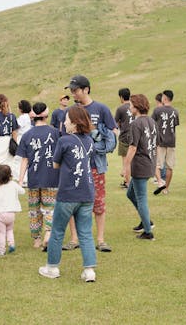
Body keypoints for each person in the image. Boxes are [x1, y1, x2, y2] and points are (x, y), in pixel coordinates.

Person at [38, 105, 97, 282]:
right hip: (87, 193)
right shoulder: (89, 141)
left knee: (57, 231)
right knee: (85, 232)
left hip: (68, 194)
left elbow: (55, 164)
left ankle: (52, 268)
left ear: (75, 122)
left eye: (67, 119)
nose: (64, 122)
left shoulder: (64, 141)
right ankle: (89, 271)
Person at [63, 75, 117, 252]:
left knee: (98, 202)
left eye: (75, 90)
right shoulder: (70, 110)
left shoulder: (101, 109)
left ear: (86, 89)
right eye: (71, 91)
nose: (73, 94)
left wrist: (99, 141)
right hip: (74, 164)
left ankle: (101, 239)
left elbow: (113, 132)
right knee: (72, 201)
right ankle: (74, 238)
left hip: (95, 164)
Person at [16, 102, 60, 251]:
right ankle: (48, 232)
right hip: (52, 176)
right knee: (50, 207)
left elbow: (24, 160)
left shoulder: (28, 134)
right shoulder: (55, 132)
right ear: (46, 115)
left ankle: (36, 239)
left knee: (34, 209)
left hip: (33, 178)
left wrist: (20, 180)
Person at [124, 94, 157, 240]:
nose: (129, 107)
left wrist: (126, 166)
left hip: (140, 165)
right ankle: (146, 221)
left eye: (131, 105)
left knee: (141, 198)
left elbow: (133, 147)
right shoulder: (151, 121)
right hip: (149, 163)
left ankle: (148, 232)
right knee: (130, 193)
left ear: (136, 107)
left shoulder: (136, 124)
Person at [151, 90, 179, 195]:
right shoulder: (175, 111)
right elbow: (174, 125)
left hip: (159, 141)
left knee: (157, 164)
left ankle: (159, 182)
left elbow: (152, 123)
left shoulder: (157, 110)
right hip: (171, 142)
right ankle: (166, 188)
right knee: (169, 166)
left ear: (165, 98)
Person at [115, 88, 133, 188]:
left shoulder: (120, 109)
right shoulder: (134, 106)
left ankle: (127, 182)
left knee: (126, 160)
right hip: (135, 136)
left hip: (124, 137)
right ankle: (131, 179)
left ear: (121, 97)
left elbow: (115, 123)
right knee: (133, 160)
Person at [14, 99, 32, 186]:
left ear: (21, 108)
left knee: (19, 159)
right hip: (26, 138)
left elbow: (16, 126)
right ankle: (25, 178)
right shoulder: (27, 116)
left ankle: (22, 179)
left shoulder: (23, 117)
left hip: (21, 138)